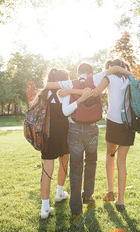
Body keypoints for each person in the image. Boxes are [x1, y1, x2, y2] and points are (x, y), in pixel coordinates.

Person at [46, 63, 131, 216]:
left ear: (78, 74)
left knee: (75, 167)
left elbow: (49, 84)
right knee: (91, 163)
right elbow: (115, 69)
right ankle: (88, 196)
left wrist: (64, 89)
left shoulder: (71, 82)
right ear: (91, 73)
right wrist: (130, 74)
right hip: (92, 129)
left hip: (75, 129)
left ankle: (76, 207)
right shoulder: (97, 78)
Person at [32, 68, 92, 219]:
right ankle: (59, 192)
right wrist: (80, 99)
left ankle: (44, 208)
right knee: (64, 162)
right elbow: (66, 112)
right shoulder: (63, 90)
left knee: (47, 169)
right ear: (64, 79)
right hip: (62, 133)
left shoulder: (44, 93)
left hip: (46, 134)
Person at [93, 59, 140, 212]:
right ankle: (120, 200)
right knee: (122, 161)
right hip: (129, 124)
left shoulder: (109, 77)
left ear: (111, 68)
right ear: (124, 68)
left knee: (110, 156)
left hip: (113, 122)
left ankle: (110, 191)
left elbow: (96, 91)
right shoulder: (132, 79)